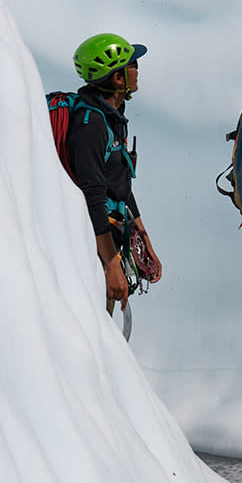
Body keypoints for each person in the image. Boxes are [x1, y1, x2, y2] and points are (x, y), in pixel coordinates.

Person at [65, 34, 163, 312]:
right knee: (94, 321)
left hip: (109, 239)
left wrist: (146, 242)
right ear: (118, 79)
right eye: (133, 65)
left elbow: (120, 186)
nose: (137, 70)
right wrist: (111, 266)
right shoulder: (92, 126)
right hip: (95, 247)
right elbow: (94, 197)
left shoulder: (112, 118)